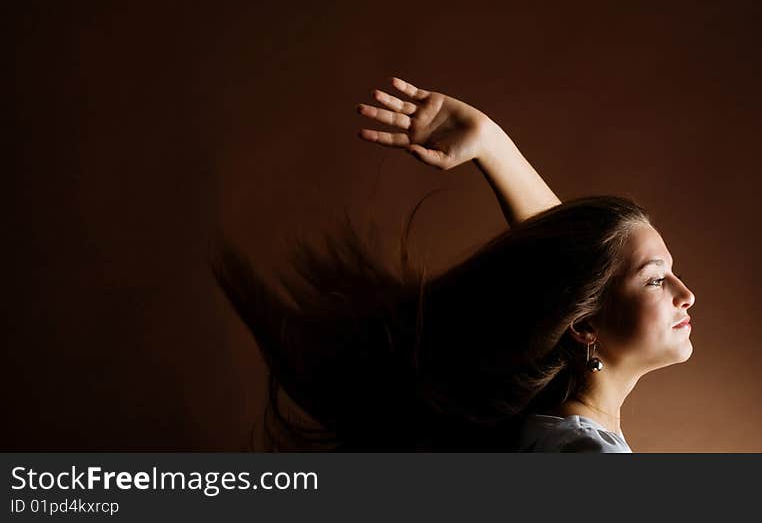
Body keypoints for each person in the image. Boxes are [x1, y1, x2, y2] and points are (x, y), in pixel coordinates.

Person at [211, 76, 696, 453]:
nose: (685, 292)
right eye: (656, 278)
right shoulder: (582, 452)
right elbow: (578, 266)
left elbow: (573, 263)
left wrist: (493, 145)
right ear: (585, 323)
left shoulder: (551, 431)